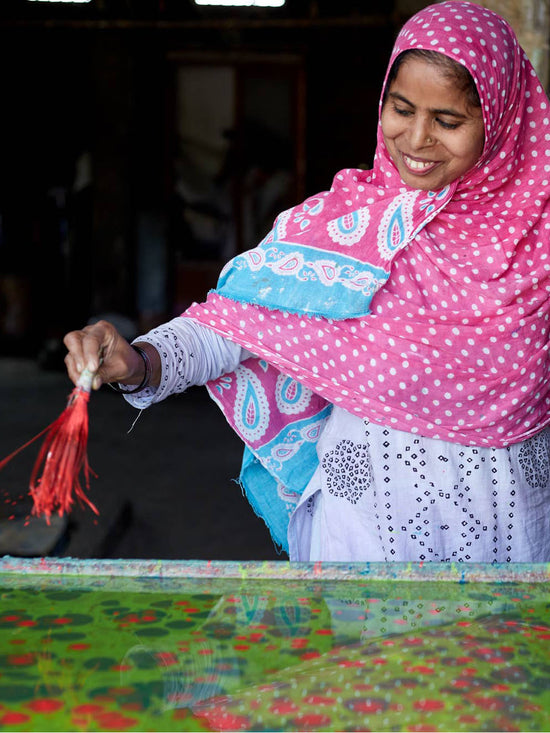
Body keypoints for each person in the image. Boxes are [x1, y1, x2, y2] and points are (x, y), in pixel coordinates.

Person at [64, 1, 550, 563]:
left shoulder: (537, 242)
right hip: (367, 539)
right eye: (401, 109)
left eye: (448, 121)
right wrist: (140, 360)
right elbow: (232, 326)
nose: (416, 139)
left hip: (510, 539)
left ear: (503, 121)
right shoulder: (344, 226)